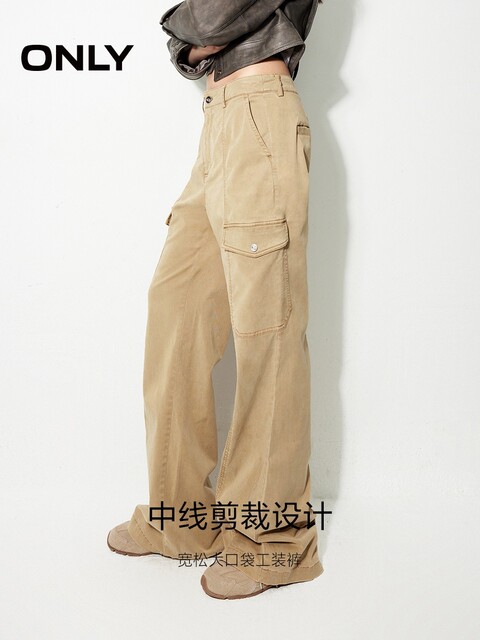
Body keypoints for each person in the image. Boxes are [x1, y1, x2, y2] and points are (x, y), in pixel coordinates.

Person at [107, 0, 325, 600]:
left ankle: (271, 543)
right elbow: (194, 44)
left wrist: (183, 32)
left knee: (267, 332)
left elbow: (207, 22)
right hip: (220, 124)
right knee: (175, 310)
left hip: (260, 116)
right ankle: (179, 520)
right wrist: (189, 41)